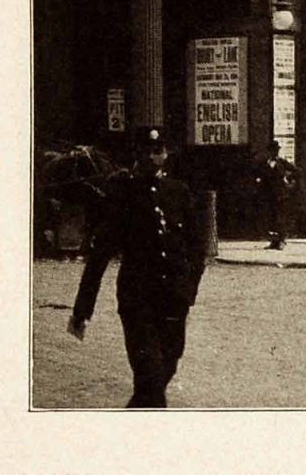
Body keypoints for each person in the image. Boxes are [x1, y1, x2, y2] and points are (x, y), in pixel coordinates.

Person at [67, 129, 207, 408]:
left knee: (166, 370)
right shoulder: (123, 195)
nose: (155, 157)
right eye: (149, 151)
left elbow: (197, 249)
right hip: (138, 300)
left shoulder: (179, 192)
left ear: (166, 154)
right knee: (151, 376)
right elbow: (100, 255)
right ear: (138, 155)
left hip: (174, 301)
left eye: (159, 150)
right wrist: (82, 310)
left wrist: (188, 293)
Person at [254, 140, 297, 250]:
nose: (275, 152)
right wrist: (259, 180)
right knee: (271, 219)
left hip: (281, 195)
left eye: (276, 150)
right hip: (269, 195)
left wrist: (288, 179)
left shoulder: (282, 162)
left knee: (280, 218)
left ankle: (282, 240)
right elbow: (259, 175)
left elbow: (296, 171)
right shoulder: (264, 163)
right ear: (269, 151)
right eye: (273, 150)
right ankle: (274, 241)